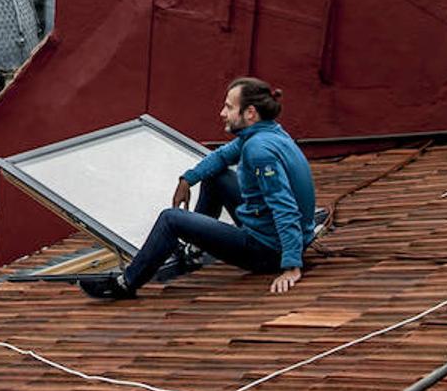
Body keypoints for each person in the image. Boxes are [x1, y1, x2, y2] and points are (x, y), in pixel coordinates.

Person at [79, 77, 316, 300]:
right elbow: (222, 156)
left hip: (266, 251)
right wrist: (188, 179)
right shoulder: (267, 132)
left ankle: (126, 284)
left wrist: (291, 266)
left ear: (250, 113)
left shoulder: (259, 151)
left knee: (171, 219)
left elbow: (285, 207)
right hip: (272, 234)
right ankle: (194, 250)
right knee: (216, 176)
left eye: (229, 107)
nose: (222, 113)